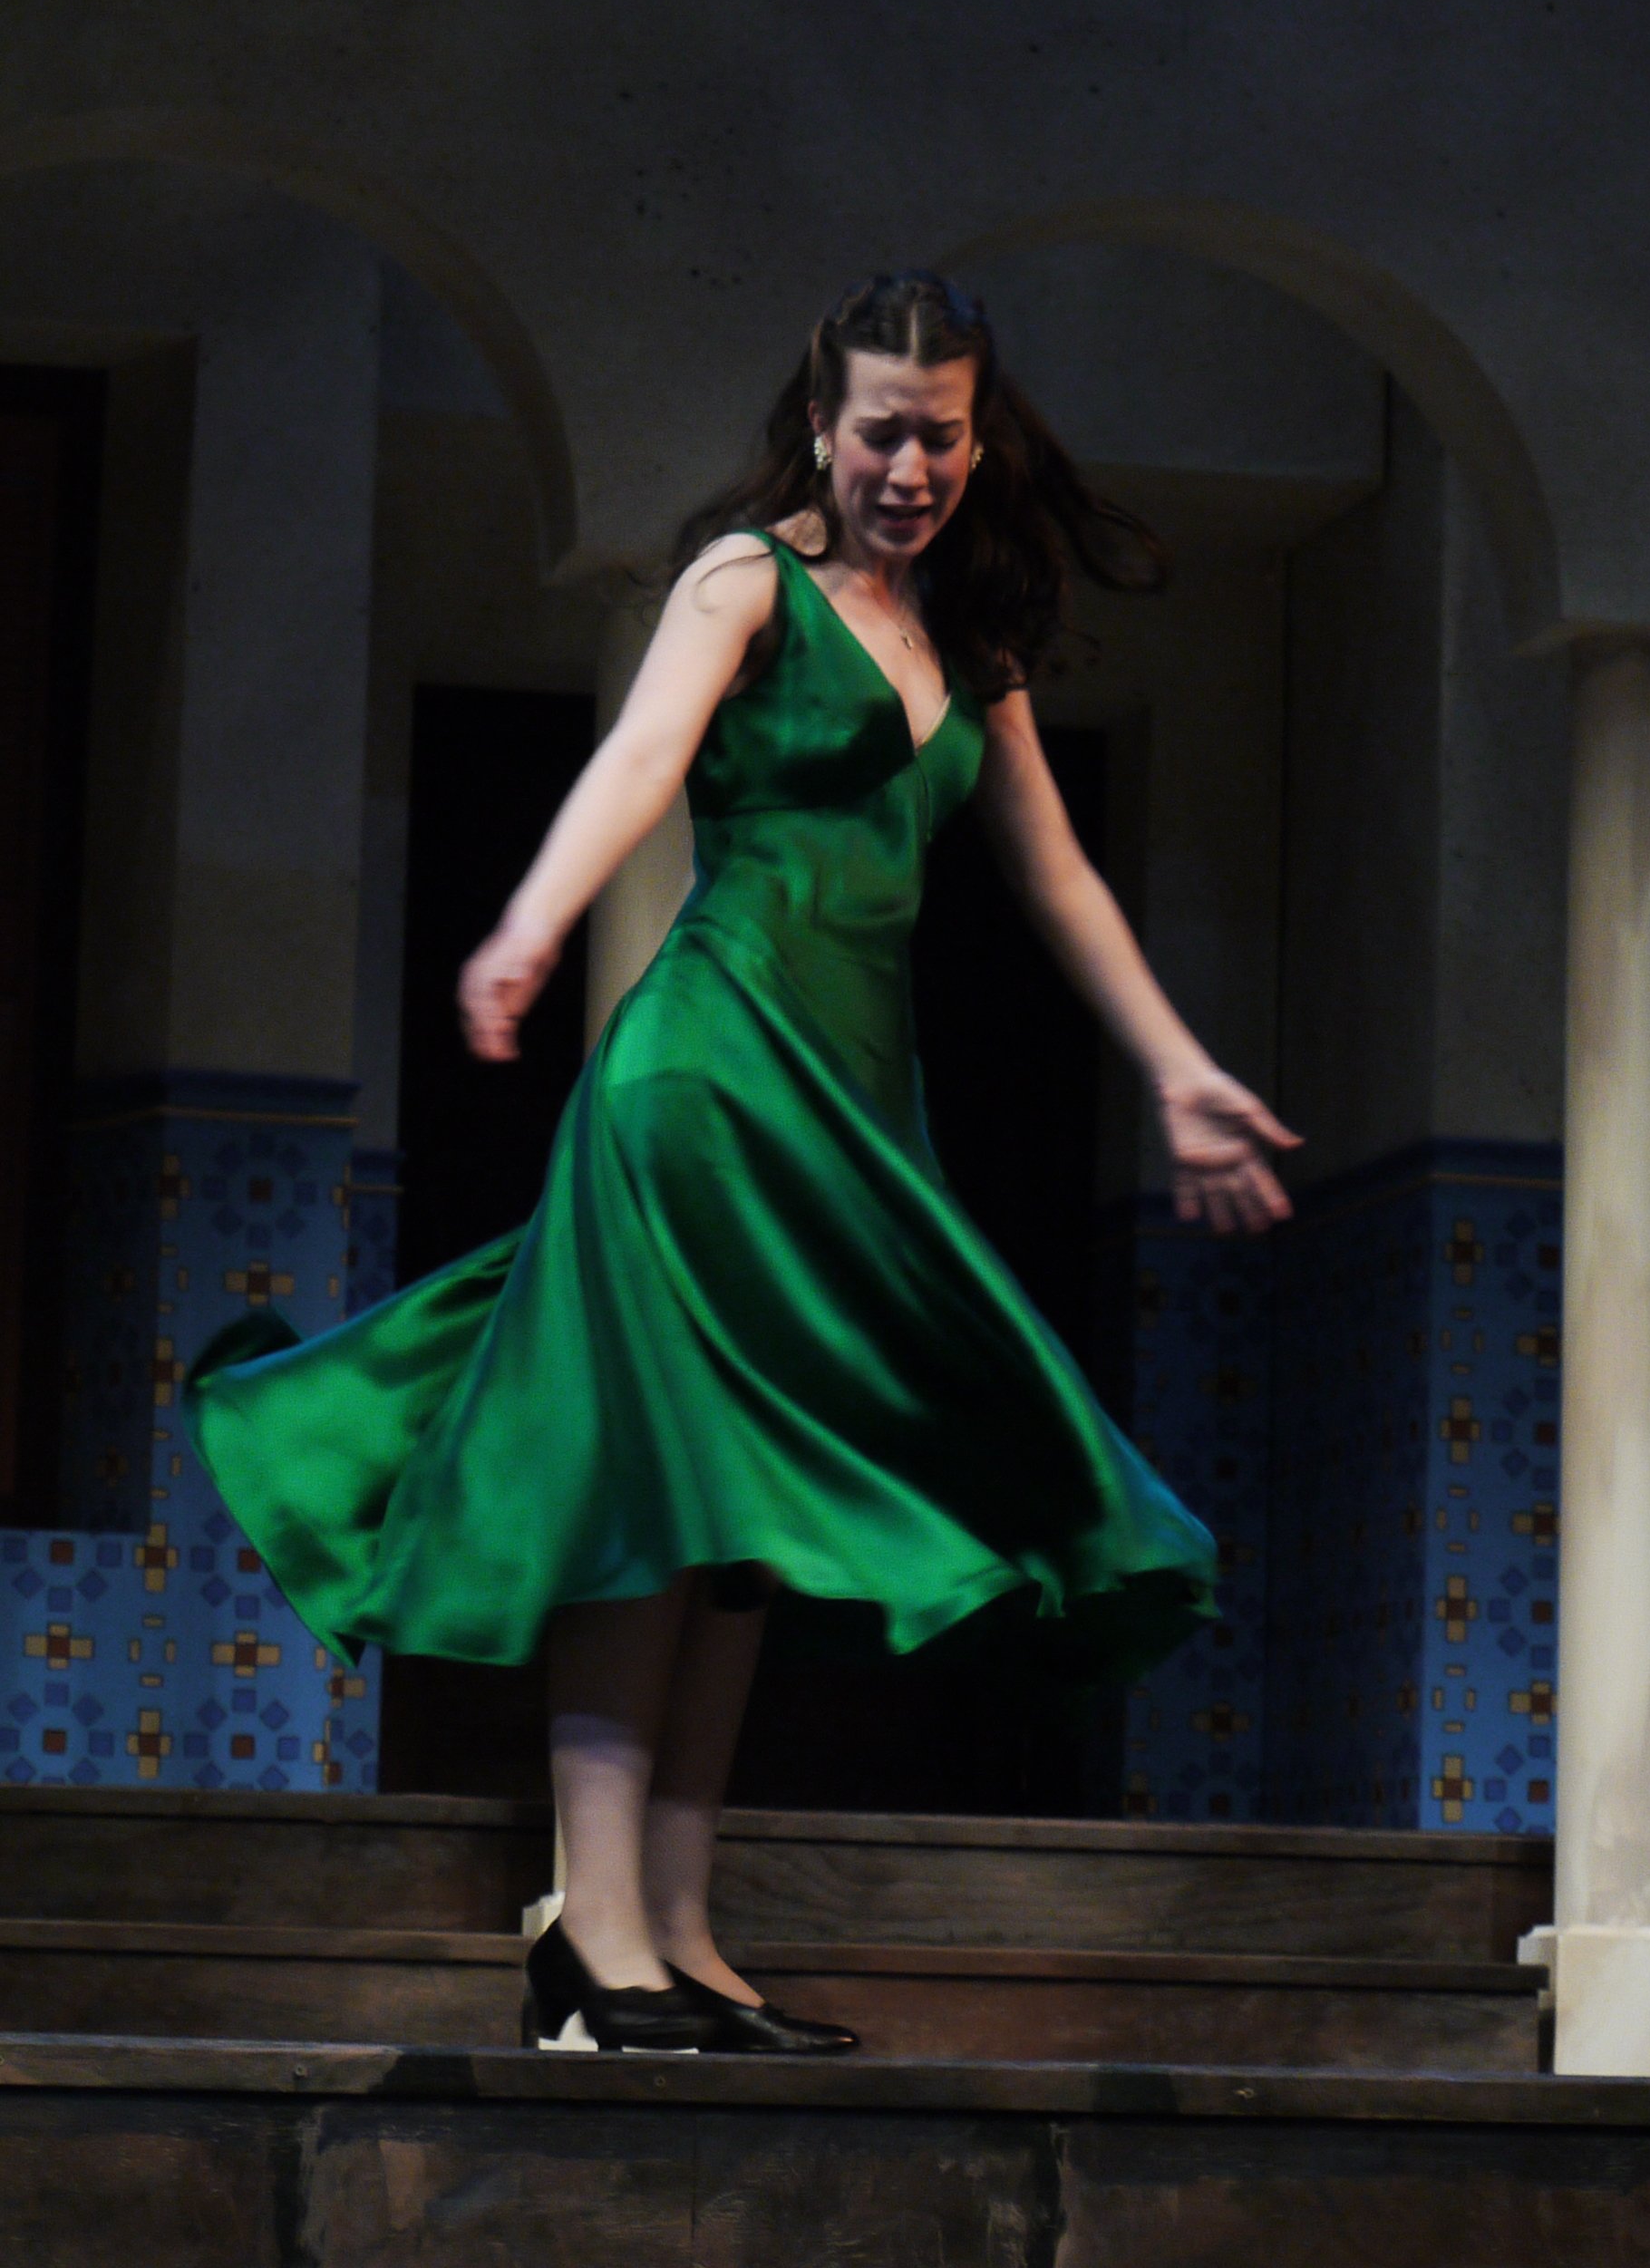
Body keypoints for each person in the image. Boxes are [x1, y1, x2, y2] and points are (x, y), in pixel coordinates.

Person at [185, 270, 1300, 2059]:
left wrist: (1178, 1069)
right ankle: (595, 1934)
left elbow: (1059, 876)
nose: (910, 467)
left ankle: (683, 1936)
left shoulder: (971, 642)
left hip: (851, 1104)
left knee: (748, 1529)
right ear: (819, 424)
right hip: (708, 1073)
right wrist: (534, 923)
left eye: (942, 435)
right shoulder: (742, 581)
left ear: (980, 439)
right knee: (655, 1490)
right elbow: (643, 754)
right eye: (881, 431)